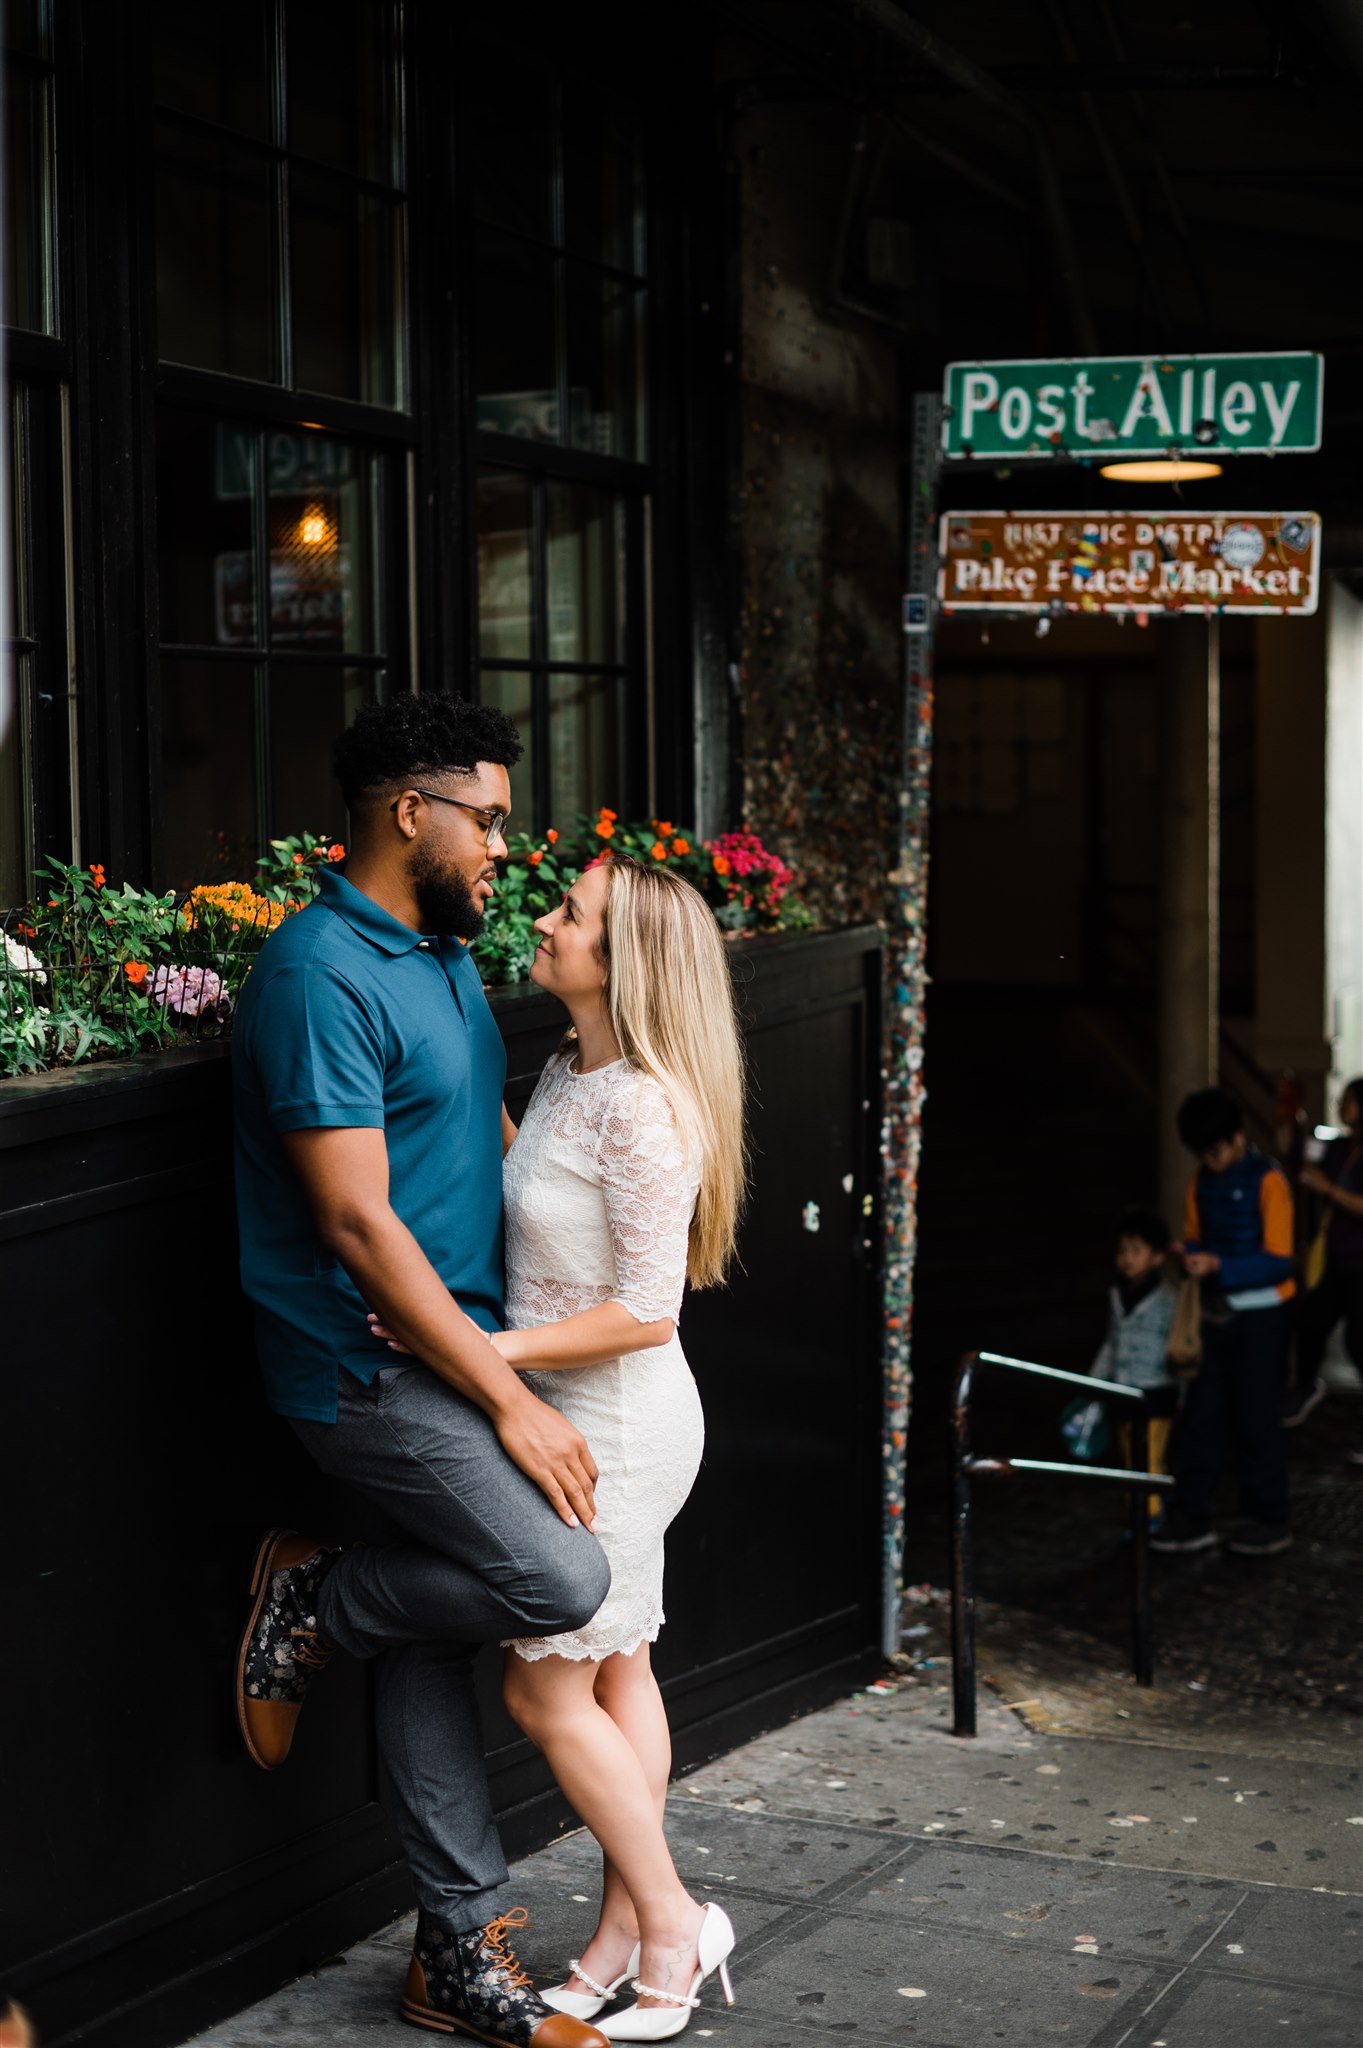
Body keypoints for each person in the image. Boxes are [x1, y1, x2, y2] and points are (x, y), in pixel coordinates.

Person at [231, 694, 613, 2048]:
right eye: (489, 818)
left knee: (437, 1641)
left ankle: (450, 1950)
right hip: (366, 1371)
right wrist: (507, 1399)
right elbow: (353, 1220)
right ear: (410, 814)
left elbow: (480, 1135)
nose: (505, 847)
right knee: (560, 1576)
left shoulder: (439, 955)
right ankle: (320, 1595)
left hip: (464, 1342)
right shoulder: (316, 976)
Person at [372, 854, 746, 2042]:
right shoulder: (574, 1070)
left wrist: (477, 1348)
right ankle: (619, 1935)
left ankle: (675, 1917)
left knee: (544, 1685)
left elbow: (647, 1309)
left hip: (619, 1422)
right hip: (574, 1410)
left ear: (619, 958)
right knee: (618, 1666)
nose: (544, 916)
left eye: (570, 913)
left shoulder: (643, 1104)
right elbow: (533, 1179)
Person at [1152, 1088, 1294, 1558]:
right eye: (1203, 1154)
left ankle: (1268, 1517)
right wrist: (1187, 1255)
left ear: (1238, 1139)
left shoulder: (1269, 1180)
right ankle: (1193, 1514)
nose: (1211, 1161)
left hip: (1263, 1318)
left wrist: (1219, 1267)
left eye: (1217, 1151)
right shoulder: (1200, 1180)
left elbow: (1280, 1260)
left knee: (1257, 1417)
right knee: (1202, 1418)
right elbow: (1195, 1236)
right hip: (1216, 1316)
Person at [1089, 1208, 1179, 1525]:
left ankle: (1149, 1518)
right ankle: (1143, 1513)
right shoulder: (1117, 1295)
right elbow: (1111, 1343)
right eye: (1123, 1251)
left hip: (1156, 1393)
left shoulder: (1169, 1298)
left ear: (1157, 1257)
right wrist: (1093, 1382)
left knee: (1150, 1457)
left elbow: (1178, 1346)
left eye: (1136, 1251)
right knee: (1130, 1458)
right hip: (1122, 1391)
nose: (1127, 1258)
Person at [1288, 1076, 1363, 1443]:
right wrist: (1289, 1114)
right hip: (1336, 1259)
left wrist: (1327, 1188)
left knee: (1359, 1341)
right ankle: (1305, 1387)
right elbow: (1295, 1152)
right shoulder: (1339, 1148)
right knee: (1311, 1322)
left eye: (1348, 1101)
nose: (1341, 1107)